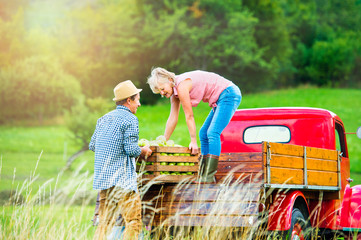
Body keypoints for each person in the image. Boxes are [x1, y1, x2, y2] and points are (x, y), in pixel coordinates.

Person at [147, 68, 242, 183]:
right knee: (203, 133)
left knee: (212, 133)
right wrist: (163, 141)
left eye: (162, 89)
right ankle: (203, 173)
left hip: (228, 93)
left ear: (170, 80)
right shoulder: (174, 92)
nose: (162, 93)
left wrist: (193, 141)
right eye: (159, 92)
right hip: (220, 98)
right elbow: (173, 118)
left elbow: (189, 116)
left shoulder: (181, 86)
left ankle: (208, 177)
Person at [89, 80, 152, 240]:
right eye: (137, 99)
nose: (139, 104)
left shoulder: (103, 119)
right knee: (133, 222)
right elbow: (131, 150)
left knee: (105, 223)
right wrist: (143, 150)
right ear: (129, 100)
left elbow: (92, 145)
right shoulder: (130, 119)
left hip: (103, 180)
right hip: (123, 181)